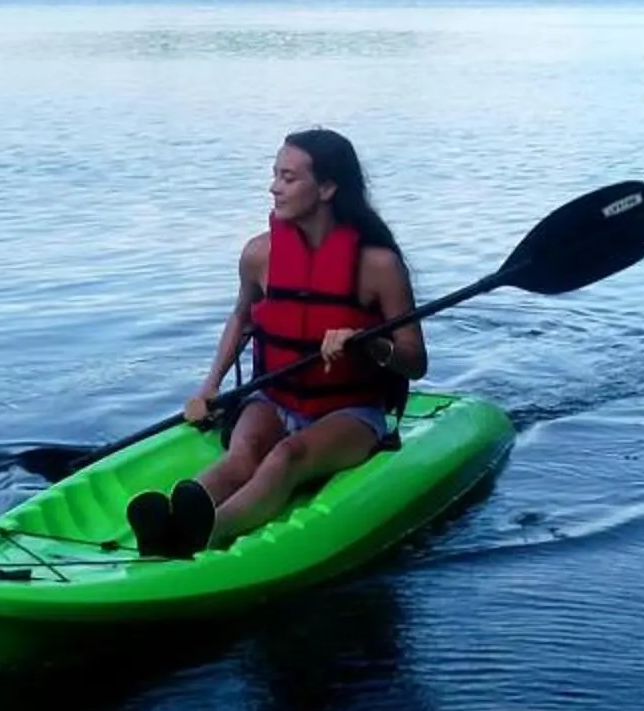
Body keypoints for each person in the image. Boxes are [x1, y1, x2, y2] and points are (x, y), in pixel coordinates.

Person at [125, 128, 427, 559]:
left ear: (326, 188)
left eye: (288, 178)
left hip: (350, 411)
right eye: (274, 175)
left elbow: (415, 362)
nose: (274, 187)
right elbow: (242, 319)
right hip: (275, 397)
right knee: (241, 455)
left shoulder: (378, 266)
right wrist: (208, 388)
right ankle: (173, 520)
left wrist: (370, 345)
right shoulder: (259, 255)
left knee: (287, 455)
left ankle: (201, 536)